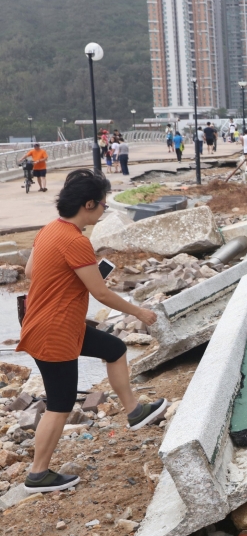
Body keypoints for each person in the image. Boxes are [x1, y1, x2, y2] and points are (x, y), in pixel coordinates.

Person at [17, 170, 168, 493]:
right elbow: (101, 293)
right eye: (103, 205)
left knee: (114, 349)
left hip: (55, 324)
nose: (103, 211)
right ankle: (37, 474)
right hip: (55, 331)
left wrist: (70, 278)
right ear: (88, 204)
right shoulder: (76, 241)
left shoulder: (49, 230)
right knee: (60, 404)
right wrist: (140, 312)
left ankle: (134, 411)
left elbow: (31, 271)